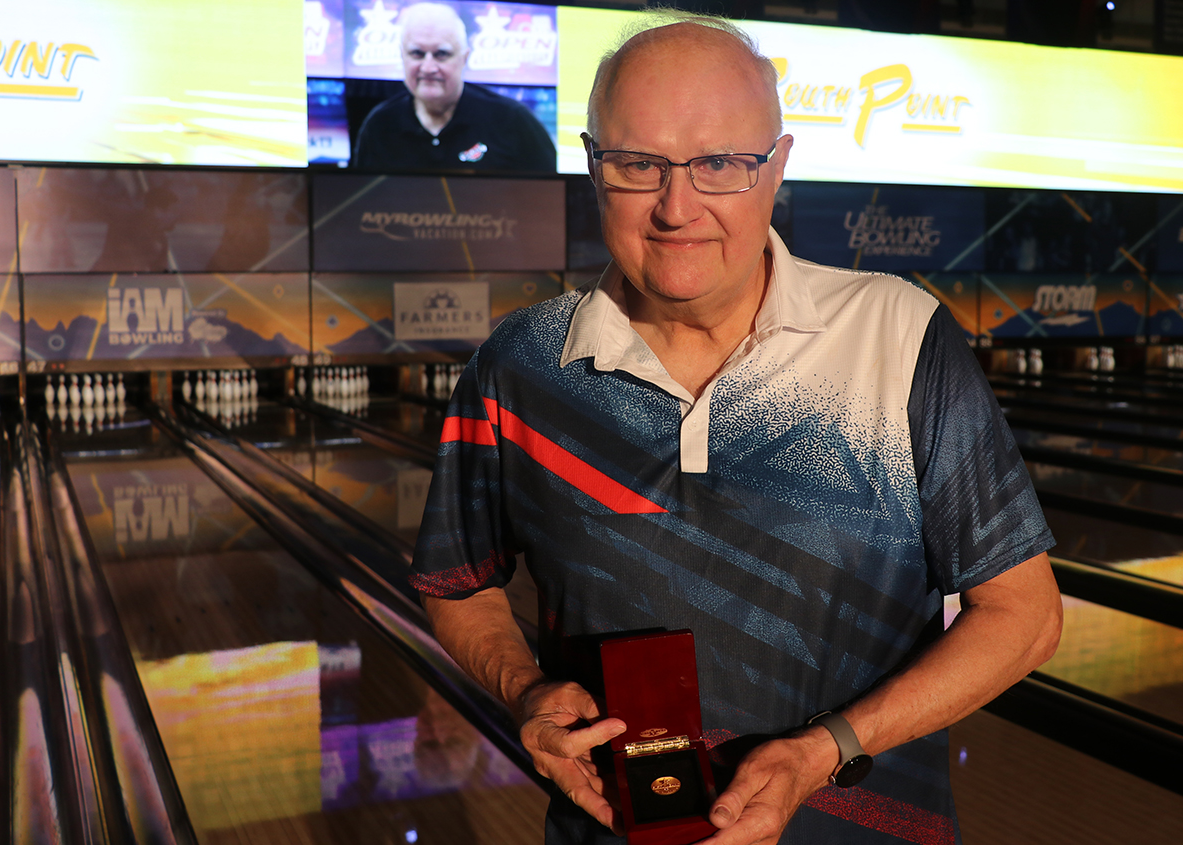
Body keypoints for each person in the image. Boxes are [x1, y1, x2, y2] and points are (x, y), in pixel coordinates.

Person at [411, 14, 1061, 845]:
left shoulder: (898, 337)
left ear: (777, 167)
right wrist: (524, 690)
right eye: (638, 164)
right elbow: (457, 581)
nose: (677, 207)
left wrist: (826, 749)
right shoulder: (521, 364)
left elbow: (1025, 615)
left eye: (720, 163)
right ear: (593, 165)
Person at [351, 2, 556, 173]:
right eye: (417, 54)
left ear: (464, 58)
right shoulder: (379, 125)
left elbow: (552, 198)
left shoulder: (513, 121)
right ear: (402, 57)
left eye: (441, 54)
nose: (428, 67)